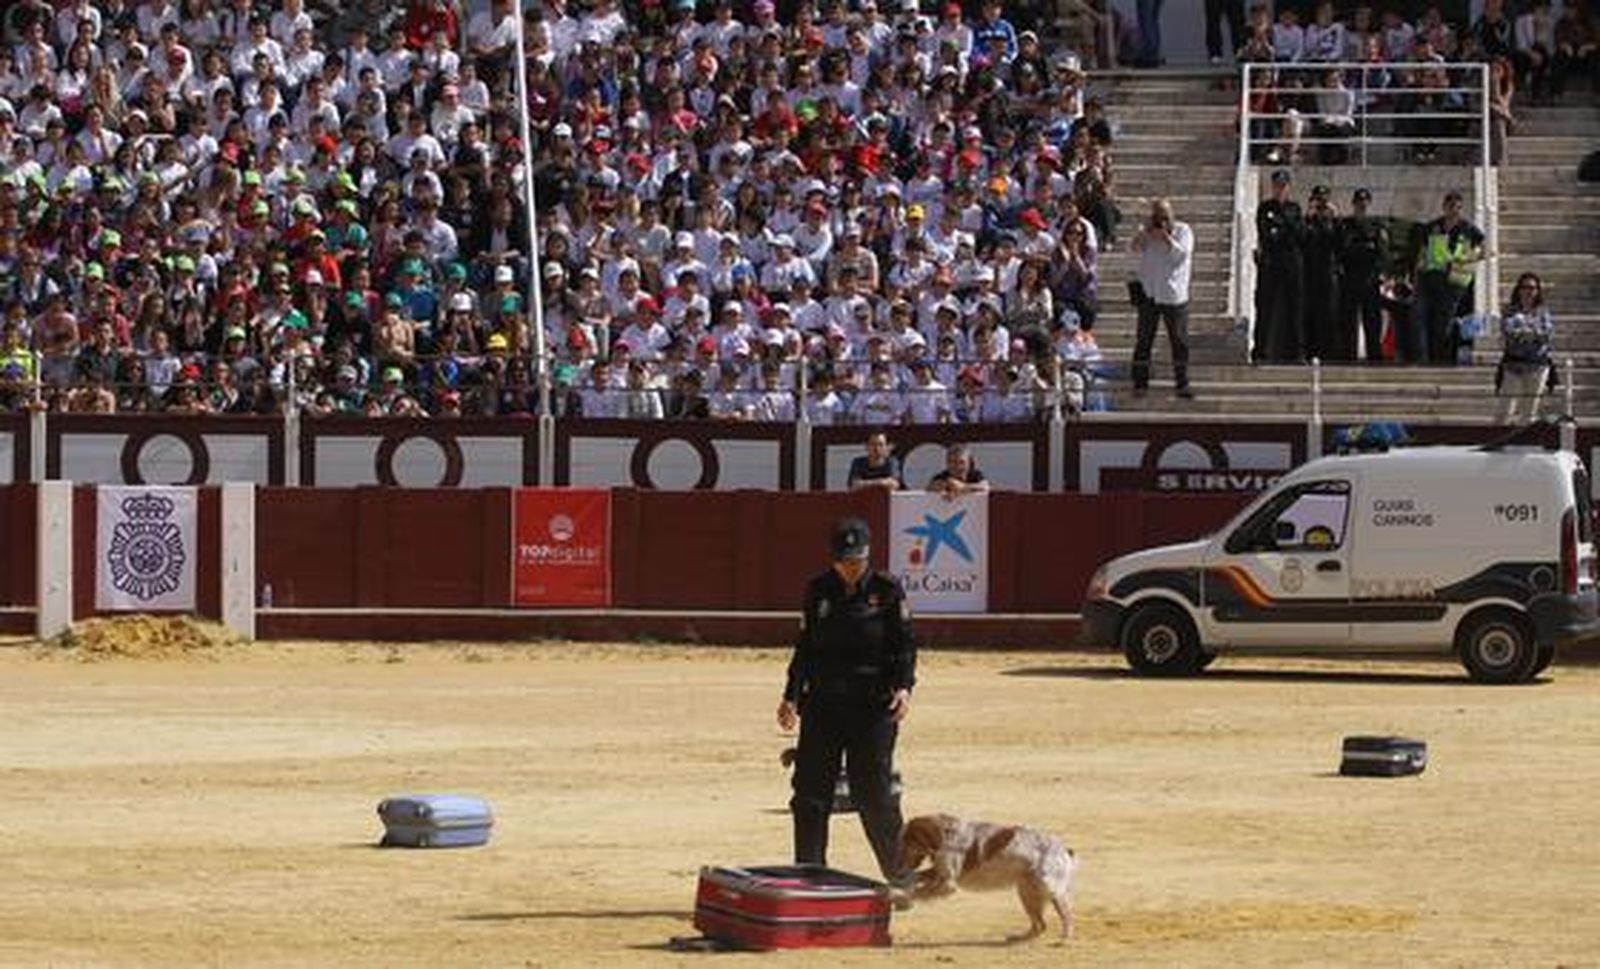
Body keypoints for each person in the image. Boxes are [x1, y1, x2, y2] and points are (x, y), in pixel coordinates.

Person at [778, 517, 917, 888]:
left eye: (857, 560)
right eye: (844, 561)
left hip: (873, 708)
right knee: (810, 794)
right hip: (823, 705)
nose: (851, 567)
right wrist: (791, 695)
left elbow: (905, 646)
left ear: (868, 556)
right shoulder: (819, 590)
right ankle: (809, 875)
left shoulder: (887, 591)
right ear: (834, 558)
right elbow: (805, 648)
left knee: (874, 794)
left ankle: (901, 876)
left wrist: (904, 688)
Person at [1413, 191, 1486, 366]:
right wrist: (1418, 271)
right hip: (1432, 278)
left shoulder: (1468, 228)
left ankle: (1443, 357)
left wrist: (1469, 259)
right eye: (1450, 206)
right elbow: (1422, 251)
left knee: (1446, 321)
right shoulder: (1433, 227)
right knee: (1425, 318)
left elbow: (1484, 249)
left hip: (1455, 281)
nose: (1454, 210)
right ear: (1444, 207)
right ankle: (1427, 356)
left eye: (1457, 207)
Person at [1130, 198, 1193, 399]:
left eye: (1165, 216)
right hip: (1149, 293)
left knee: (1179, 341)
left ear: (1172, 214)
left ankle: (1182, 382)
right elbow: (1134, 248)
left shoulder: (1183, 231)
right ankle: (1140, 382)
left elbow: (1181, 256)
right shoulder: (1148, 231)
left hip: (1173, 295)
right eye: (1157, 216)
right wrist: (1145, 233)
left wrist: (1166, 237)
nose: (1161, 221)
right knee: (1144, 340)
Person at [1254, 169, 1305, 364]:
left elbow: (1300, 235)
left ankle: (1297, 352)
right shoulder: (1264, 208)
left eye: (1283, 186)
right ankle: (1260, 351)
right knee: (1265, 307)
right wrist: (1284, 228)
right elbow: (1266, 235)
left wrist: (1280, 225)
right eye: (1276, 185)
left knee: (1295, 308)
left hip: (1291, 262)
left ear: (1288, 187)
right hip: (1271, 262)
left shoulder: (1295, 208)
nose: (1279, 189)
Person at [1495, 272, 1554, 425]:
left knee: (1529, 411)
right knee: (1504, 410)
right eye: (1525, 287)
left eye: (1532, 288)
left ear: (1537, 291)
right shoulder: (1510, 311)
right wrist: (1532, 334)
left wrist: (1524, 334)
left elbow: (1547, 334)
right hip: (1513, 366)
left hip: (1537, 366)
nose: (1528, 291)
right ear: (1518, 289)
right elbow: (1509, 332)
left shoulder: (1543, 312)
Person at [1340, 188, 1390, 364]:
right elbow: (1340, 251)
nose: (1362, 206)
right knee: (1349, 323)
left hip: (1370, 280)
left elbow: (1383, 254)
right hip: (1350, 279)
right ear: (1353, 204)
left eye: (1365, 202)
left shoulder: (1376, 227)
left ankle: (1375, 359)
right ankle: (1348, 358)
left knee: (1372, 322)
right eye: (1359, 203)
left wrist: (1381, 275)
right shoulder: (1345, 226)